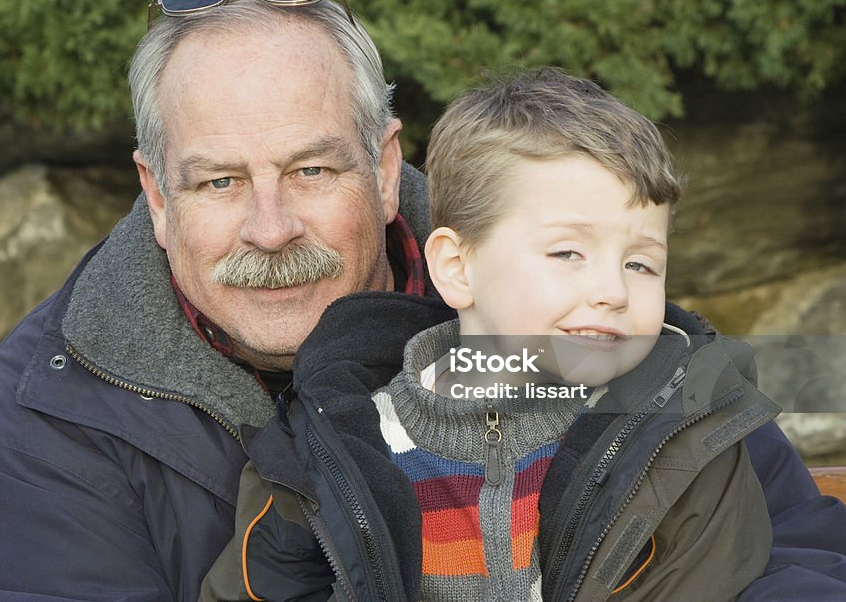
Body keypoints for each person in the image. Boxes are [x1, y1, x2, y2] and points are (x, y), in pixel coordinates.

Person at [0, 0, 846, 601]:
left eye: (312, 170)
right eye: (219, 182)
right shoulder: (40, 424)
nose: (270, 226)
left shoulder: (558, 296)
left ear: (382, 166)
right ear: (156, 195)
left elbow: (800, 554)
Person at [200, 69, 783, 601]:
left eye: (641, 263)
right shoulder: (334, 444)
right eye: (568, 252)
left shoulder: (680, 437)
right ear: (457, 268)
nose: (614, 291)